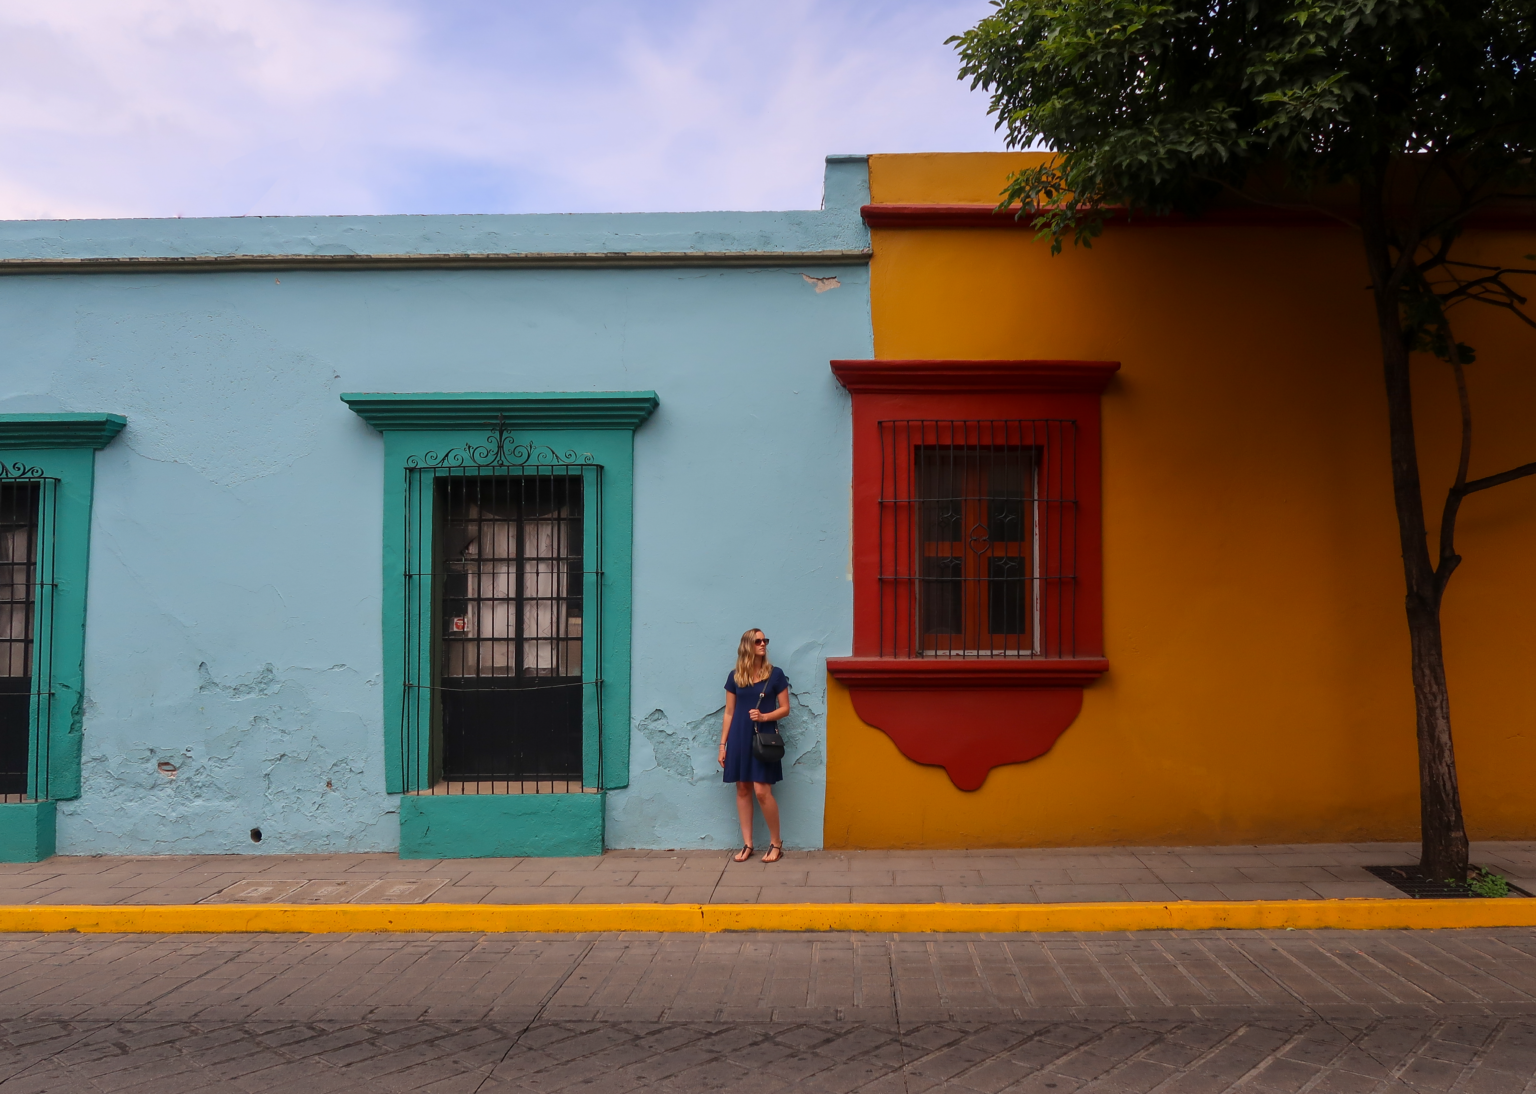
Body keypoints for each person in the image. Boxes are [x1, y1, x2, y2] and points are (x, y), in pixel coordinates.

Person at [718, 628, 790, 863]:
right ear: (747, 646)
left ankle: (776, 843)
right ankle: (748, 844)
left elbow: (785, 708)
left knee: (761, 790)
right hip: (739, 736)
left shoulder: (775, 674)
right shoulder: (735, 677)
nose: (763, 644)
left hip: (763, 736)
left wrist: (764, 717)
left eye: (765, 640)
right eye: (758, 641)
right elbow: (729, 712)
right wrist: (722, 745)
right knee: (742, 788)